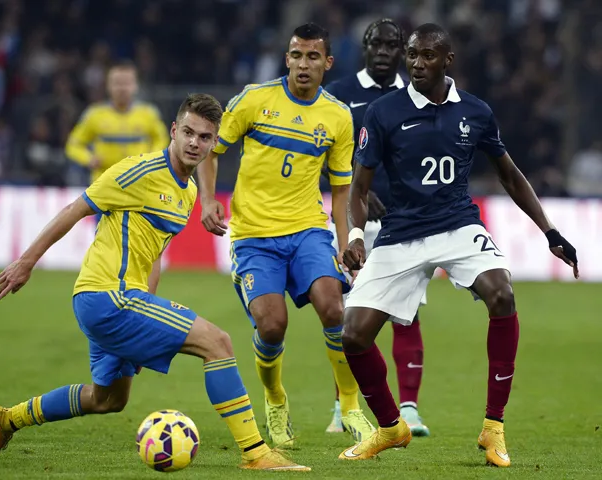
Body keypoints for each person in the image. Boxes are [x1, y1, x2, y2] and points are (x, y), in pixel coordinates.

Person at [0, 94, 309, 472]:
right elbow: (75, 209)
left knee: (107, 400)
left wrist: (146, 317)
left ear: (214, 143)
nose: (194, 143)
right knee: (218, 343)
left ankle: (5, 420)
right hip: (107, 296)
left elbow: (154, 253)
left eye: (204, 137)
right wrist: (26, 263)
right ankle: (256, 452)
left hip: (123, 301)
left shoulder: (187, 192)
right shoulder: (137, 171)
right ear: (173, 130)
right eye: (188, 132)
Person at [338, 23, 578, 467]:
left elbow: (510, 175)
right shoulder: (384, 112)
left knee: (502, 293)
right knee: (352, 335)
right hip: (400, 232)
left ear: (448, 60)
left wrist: (550, 232)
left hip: (457, 225)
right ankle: (390, 427)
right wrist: (355, 235)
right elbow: (360, 185)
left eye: (428, 55)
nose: (417, 64)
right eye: (412, 55)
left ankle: (493, 427)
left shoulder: (476, 112)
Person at [197, 23, 375, 447]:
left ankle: (351, 406)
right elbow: (210, 150)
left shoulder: (337, 116)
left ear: (327, 63)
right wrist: (207, 200)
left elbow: (341, 190)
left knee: (333, 307)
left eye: (313, 57)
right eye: (296, 55)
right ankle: (275, 397)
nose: (303, 64)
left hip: (307, 230)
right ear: (287, 59)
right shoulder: (254, 100)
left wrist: (346, 242)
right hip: (254, 236)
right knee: (273, 325)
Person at [324, 18, 429, 438]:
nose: (383, 51)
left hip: (405, 221)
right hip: (354, 221)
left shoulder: (419, 94)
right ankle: (344, 407)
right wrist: (359, 194)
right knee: (349, 314)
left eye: (391, 45)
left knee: (407, 312)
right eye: (375, 44)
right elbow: (323, 153)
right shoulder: (340, 94)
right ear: (364, 48)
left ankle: (410, 409)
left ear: (403, 51)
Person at [65, 61, 169, 222]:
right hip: (104, 188)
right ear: (108, 86)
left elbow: (162, 139)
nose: (122, 88)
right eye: (117, 83)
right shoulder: (94, 115)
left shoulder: (148, 114)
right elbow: (73, 144)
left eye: (127, 83)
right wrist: (89, 159)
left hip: (139, 187)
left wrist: (151, 158)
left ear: (135, 86)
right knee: (103, 235)